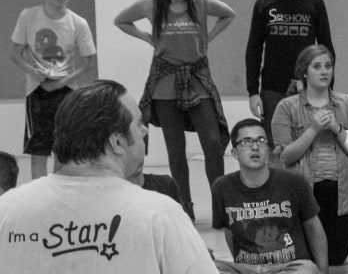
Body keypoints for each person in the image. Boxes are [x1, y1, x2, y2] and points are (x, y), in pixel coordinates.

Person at [0, 80, 216, 273]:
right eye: (137, 124)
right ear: (117, 142)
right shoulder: (159, 215)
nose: (145, 131)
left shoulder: (6, 210)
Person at [115, 0, 235, 219]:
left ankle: (220, 206)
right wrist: (145, 36)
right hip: (165, 84)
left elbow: (228, 14)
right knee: (176, 148)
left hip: (197, 79)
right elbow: (121, 20)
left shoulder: (200, 2)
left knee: (213, 142)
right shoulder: (151, 5)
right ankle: (185, 207)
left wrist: (209, 37)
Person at [273, 44, 348, 266]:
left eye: (328, 66)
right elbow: (285, 157)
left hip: (343, 193)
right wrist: (313, 129)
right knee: (308, 260)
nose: (325, 71)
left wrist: (337, 129)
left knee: (336, 258)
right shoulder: (287, 107)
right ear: (304, 72)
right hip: (305, 191)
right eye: (317, 66)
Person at [10, 0, 96, 179]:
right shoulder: (28, 16)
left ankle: (58, 189)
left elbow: (88, 61)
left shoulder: (78, 23)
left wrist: (63, 82)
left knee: (63, 146)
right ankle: (39, 194)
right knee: (38, 148)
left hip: (66, 90)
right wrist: (33, 71)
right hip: (37, 90)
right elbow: (15, 53)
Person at [212, 118, 328, 274]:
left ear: (267, 149)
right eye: (246, 142)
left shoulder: (293, 181)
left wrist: (323, 271)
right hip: (247, 268)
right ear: (234, 153)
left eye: (261, 141)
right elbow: (228, 232)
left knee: (307, 270)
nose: (255, 147)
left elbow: (313, 227)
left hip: (289, 267)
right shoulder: (222, 187)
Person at [247, 0, 335, 140]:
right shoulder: (264, 5)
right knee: (276, 145)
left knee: (310, 142)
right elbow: (253, 50)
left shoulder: (315, 3)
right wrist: (253, 92)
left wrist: (328, 88)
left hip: (308, 87)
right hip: (272, 88)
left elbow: (326, 47)